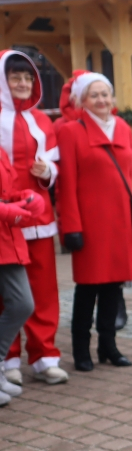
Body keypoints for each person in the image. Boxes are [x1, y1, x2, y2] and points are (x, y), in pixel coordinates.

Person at [57, 72, 132, 371]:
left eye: (105, 94)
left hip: (120, 222)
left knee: (113, 287)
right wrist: (70, 227)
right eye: (94, 95)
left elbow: (131, 167)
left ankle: (108, 345)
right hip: (89, 224)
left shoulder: (122, 127)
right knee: (87, 289)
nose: (101, 100)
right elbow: (66, 184)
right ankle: (81, 349)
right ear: (82, 101)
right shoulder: (71, 132)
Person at [0, 51, 67, 386]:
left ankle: (44, 356)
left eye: (28, 78)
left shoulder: (44, 121)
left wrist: (48, 172)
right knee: (8, 292)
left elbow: (55, 166)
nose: (23, 83)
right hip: (4, 221)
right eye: (15, 77)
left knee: (43, 289)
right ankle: (8, 357)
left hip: (38, 215)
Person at [0, 144, 44, 405]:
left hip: (6, 240)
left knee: (22, 303)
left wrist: (27, 198)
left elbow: (8, 190)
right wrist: (5, 210)